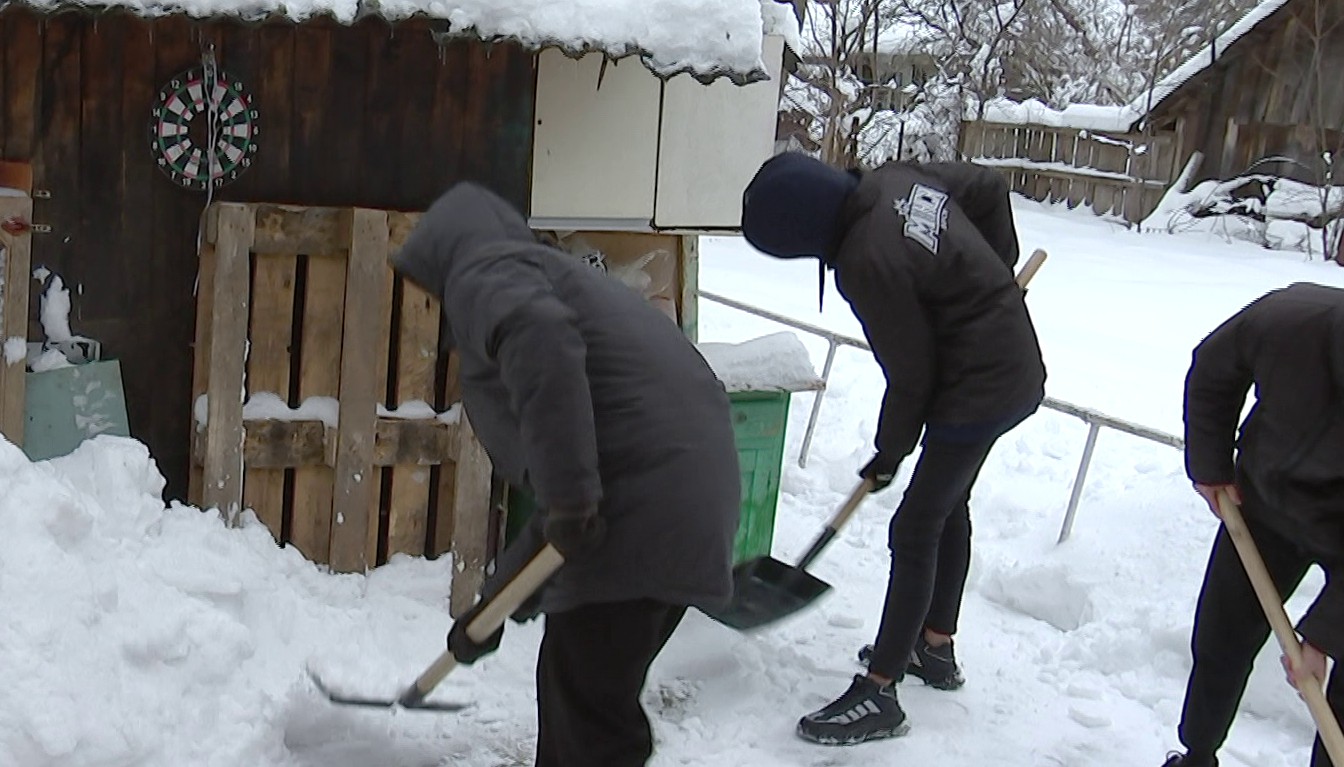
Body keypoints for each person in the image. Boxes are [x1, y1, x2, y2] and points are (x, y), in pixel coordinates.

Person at [389, 181, 742, 767]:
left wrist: (571, 500)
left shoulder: (489, 272)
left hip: (643, 515)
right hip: (674, 509)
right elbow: (566, 515)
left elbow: (542, 343)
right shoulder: (549, 280)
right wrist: (491, 609)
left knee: (590, 719)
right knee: (578, 692)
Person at [739, 151, 1046, 745]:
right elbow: (986, 185)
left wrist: (889, 452)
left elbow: (911, 376)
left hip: (979, 384)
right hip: (999, 366)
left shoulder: (866, 260)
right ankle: (933, 646)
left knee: (914, 527)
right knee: (945, 506)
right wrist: (990, 271)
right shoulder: (894, 179)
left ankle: (879, 692)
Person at [1161, 282, 1344, 767]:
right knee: (1220, 640)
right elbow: (1213, 368)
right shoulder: (1292, 320)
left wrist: (1324, 638)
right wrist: (1210, 465)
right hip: (1267, 502)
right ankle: (1197, 755)